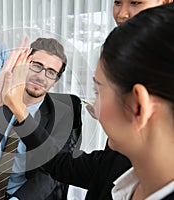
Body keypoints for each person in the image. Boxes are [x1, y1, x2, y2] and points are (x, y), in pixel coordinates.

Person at [15, 4, 174, 200]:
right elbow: (59, 163)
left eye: (97, 91)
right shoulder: (116, 163)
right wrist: (18, 108)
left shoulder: (65, 111)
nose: (94, 110)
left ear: (138, 107)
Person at [0, 37, 82, 199]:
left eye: (50, 72)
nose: (41, 77)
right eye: (37, 66)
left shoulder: (63, 114)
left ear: (55, 81)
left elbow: (49, 175)